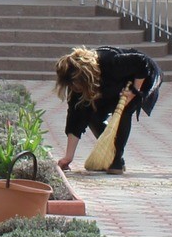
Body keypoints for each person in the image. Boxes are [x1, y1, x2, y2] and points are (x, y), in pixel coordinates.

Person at [53, 46, 162, 174]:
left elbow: (142, 63)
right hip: (113, 85)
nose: (75, 89)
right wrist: (68, 157)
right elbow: (74, 118)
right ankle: (110, 152)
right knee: (91, 115)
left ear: (86, 77)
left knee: (123, 111)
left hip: (142, 77)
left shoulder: (110, 61)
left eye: (77, 85)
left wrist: (134, 91)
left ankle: (116, 160)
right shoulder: (75, 85)